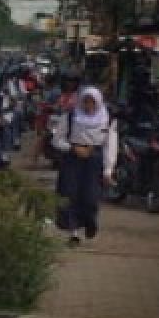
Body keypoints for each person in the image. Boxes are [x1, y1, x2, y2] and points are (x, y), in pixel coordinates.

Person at [51, 86, 118, 246]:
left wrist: (108, 169)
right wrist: (73, 148)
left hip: (94, 160)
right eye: (86, 102)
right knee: (69, 195)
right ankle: (74, 233)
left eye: (92, 103)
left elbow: (110, 145)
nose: (89, 106)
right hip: (73, 159)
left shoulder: (107, 119)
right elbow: (56, 140)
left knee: (91, 197)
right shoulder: (71, 117)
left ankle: (90, 222)